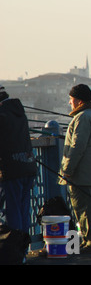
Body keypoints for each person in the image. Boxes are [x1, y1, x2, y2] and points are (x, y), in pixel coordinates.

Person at [59, 84, 91, 253]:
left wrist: (67, 169)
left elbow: (77, 146)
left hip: (83, 174)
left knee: (85, 209)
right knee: (90, 208)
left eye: (71, 100)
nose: (70, 103)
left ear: (78, 101)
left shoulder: (83, 118)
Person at [0, 84, 37, 234]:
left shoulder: (2, 114)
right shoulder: (18, 112)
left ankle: (13, 251)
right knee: (23, 211)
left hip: (11, 170)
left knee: (11, 212)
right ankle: (22, 250)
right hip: (27, 166)